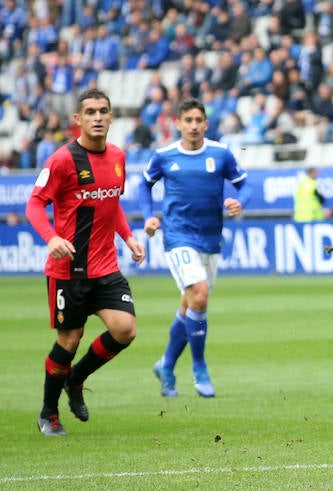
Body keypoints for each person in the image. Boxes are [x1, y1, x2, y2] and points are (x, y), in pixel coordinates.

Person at [25, 88, 146, 436]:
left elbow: (112, 203)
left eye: (103, 111)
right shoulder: (63, 160)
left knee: (125, 329)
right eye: (90, 111)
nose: (97, 117)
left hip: (106, 267)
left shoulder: (119, 157)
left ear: (111, 117)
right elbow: (34, 205)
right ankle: (48, 412)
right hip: (69, 271)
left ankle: (76, 378)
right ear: (77, 119)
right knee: (70, 340)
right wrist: (52, 239)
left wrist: (129, 237)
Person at [138, 98, 254, 398]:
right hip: (177, 237)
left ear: (205, 124)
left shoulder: (220, 154)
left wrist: (241, 202)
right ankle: (199, 367)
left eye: (198, 120)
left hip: (211, 239)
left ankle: (165, 365)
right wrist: (149, 216)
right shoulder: (164, 156)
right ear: (178, 123)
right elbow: (143, 185)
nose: (193, 125)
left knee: (190, 304)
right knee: (199, 295)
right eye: (187, 120)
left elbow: (246, 185)